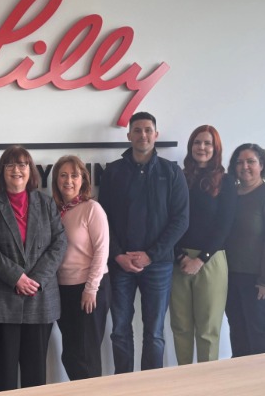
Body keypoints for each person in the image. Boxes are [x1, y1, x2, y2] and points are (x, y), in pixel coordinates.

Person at [99, 111, 189, 372]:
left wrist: (151, 255)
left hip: (158, 265)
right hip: (120, 265)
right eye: (137, 130)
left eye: (148, 130)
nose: (143, 135)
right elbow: (103, 220)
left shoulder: (171, 172)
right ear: (129, 136)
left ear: (156, 135)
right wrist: (117, 255)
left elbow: (181, 220)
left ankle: (151, 387)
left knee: (155, 334)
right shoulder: (113, 172)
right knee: (120, 331)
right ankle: (124, 386)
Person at [0, 146, 66, 392]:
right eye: (11, 165)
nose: (17, 170)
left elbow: (59, 242)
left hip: (39, 299)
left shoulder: (45, 203)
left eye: (23, 164)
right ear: (2, 171)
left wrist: (34, 279)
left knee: (36, 377)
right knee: (1, 377)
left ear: (30, 170)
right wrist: (16, 277)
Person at [170, 125, 236, 365]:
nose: (202, 148)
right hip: (179, 261)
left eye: (207, 143)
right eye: (197, 143)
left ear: (215, 148)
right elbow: (170, 219)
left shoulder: (227, 182)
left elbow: (225, 226)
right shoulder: (178, 177)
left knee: (208, 330)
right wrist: (180, 256)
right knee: (180, 326)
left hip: (211, 261)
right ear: (190, 146)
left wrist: (201, 259)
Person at [224, 143, 265, 357]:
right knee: (237, 328)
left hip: (258, 281)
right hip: (229, 276)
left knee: (258, 331)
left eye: (250, 161)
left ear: (262, 165)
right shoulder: (230, 194)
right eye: (240, 162)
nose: (245, 166)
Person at [51, 155, 110, 380]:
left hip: (88, 290)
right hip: (63, 290)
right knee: (71, 355)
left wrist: (91, 288)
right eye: (63, 175)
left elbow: (102, 252)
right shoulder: (56, 211)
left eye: (74, 175)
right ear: (56, 179)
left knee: (85, 357)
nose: (68, 181)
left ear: (83, 179)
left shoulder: (91, 209)